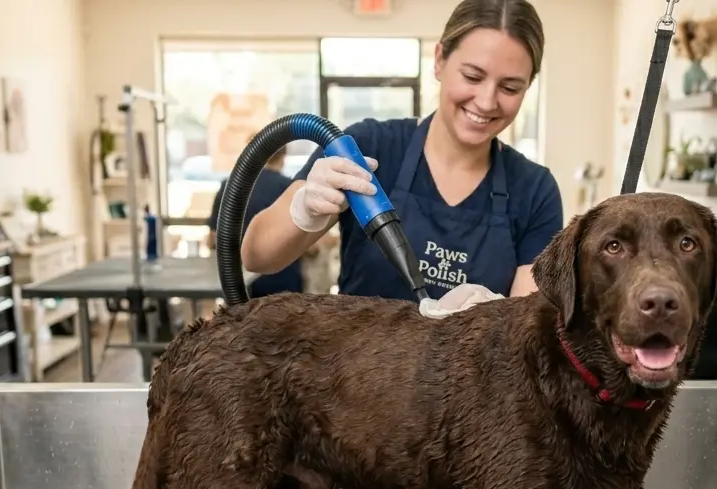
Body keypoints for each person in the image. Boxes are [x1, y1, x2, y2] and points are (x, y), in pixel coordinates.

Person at [240, 0, 561, 303]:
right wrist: (304, 211)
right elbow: (256, 257)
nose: (487, 101)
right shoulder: (367, 147)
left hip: (471, 364)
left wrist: (488, 321)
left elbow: (527, 327)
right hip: (353, 362)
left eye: (509, 88)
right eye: (472, 76)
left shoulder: (535, 191)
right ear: (439, 61)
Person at [207, 147, 305, 298]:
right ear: (284, 156)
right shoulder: (287, 188)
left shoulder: (229, 186)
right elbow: (309, 245)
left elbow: (212, 240)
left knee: (243, 320)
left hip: (238, 282)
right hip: (283, 284)